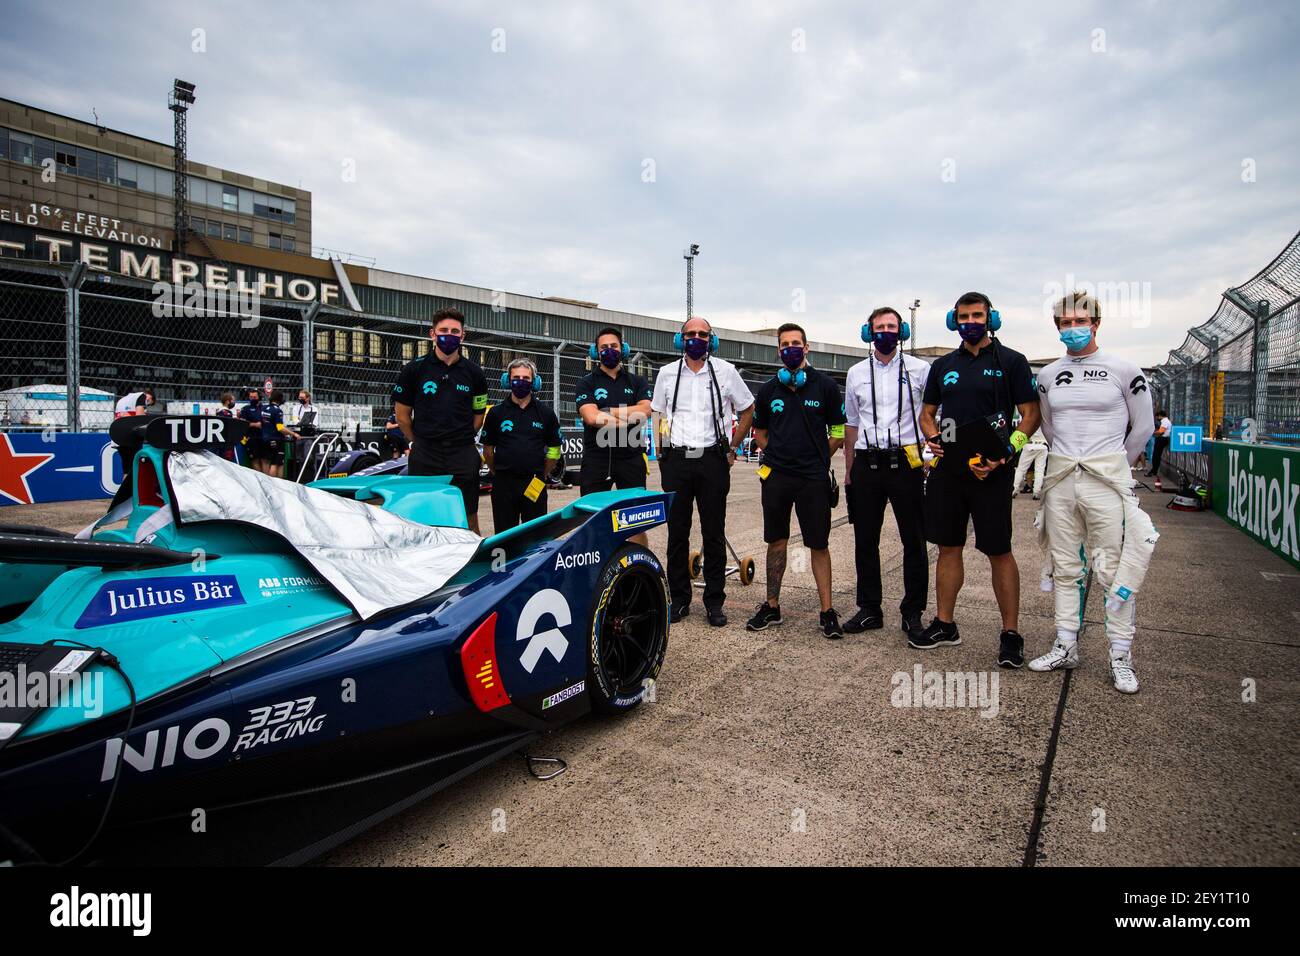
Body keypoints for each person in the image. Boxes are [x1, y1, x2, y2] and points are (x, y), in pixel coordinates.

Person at [1028, 293, 1157, 693]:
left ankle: (1121, 656)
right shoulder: (1047, 376)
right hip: (1062, 478)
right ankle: (1066, 644)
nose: (1071, 329)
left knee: (1113, 570)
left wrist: (1113, 464)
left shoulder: (1124, 369)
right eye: (1063, 323)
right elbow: (1048, 428)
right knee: (1066, 567)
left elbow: (1143, 428)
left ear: (1096, 323)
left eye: (1078, 321)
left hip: (1107, 482)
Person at [916, 292, 1041, 666]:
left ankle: (1011, 634)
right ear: (954, 321)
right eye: (964, 316)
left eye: (978, 315)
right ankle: (944, 623)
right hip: (950, 469)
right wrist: (933, 438)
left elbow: (1031, 415)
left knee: (998, 550)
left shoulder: (1012, 362)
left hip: (992, 467)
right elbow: (927, 413)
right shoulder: (943, 366)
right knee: (947, 547)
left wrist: (1007, 453)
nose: (971, 321)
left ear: (992, 318)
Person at [651, 316, 755, 627]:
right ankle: (680, 599)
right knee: (677, 533)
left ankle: (714, 601)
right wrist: (662, 449)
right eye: (690, 334)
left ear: (712, 339)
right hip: (678, 460)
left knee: (714, 531)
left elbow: (747, 407)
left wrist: (733, 447)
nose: (696, 338)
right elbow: (659, 412)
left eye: (702, 334)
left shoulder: (725, 371)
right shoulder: (667, 374)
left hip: (712, 459)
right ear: (680, 339)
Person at [746, 323, 847, 638]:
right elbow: (759, 432)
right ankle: (772, 606)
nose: (790, 348)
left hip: (813, 478)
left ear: (806, 348)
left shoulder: (825, 386)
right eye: (784, 344)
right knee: (776, 541)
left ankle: (827, 612)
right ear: (778, 351)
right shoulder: (768, 390)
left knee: (818, 543)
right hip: (776, 477)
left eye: (796, 343)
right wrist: (776, 455)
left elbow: (839, 432)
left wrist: (818, 458)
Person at [843, 307, 931, 639]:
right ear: (868, 332)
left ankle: (913, 612)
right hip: (867, 463)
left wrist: (929, 456)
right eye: (879, 326)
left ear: (902, 331)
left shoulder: (921, 370)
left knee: (914, 540)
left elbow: (933, 415)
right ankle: (869, 609)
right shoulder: (856, 373)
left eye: (891, 326)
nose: (885, 331)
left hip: (907, 462)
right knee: (865, 540)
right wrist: (850, 469)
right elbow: (851, 424)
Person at [392, 307, 489, 534]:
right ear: (432, 334)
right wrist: (421, 441)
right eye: (443, 330)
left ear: (463, 336)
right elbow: (402, 417)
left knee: (468, 517)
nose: (449, 335)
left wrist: (460, 437)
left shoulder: (475, 373)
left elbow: (478, 416)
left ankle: (473, 563)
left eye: (455, 331)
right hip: (426, 453)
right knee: (422, 517)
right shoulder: (414, 369)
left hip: (463, 453)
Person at [574, 327, 653, 544]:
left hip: (631, 458)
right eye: (604, 347)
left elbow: (645, 411)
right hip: (597, 460)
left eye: (614, 346)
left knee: (635, 521)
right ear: (595, 352)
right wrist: (629, 415)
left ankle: (635, 568)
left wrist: (607, 411)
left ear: (623, 349)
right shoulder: (586, 383)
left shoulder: (638, 382)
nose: (609, 351)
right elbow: (591, 418)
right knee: (591, 521)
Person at [481, 358, 563, 532]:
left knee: (535, 537)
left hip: (535, 482)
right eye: (516, 377)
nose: (520, 381)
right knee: (504, 536)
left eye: (526, 378)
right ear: (507, 381)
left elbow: (555, 451)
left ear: (534, 382)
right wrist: (499, 473)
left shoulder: (546, 414)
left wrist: (542, 474)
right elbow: (488, 451)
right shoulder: (496, 413)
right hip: (503, 483)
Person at [259, 389, 301, 479]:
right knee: (276, 463)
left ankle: (266, 483)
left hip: (264, 439)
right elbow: (280, 428)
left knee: (266, 462)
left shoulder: (263, 408)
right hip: (276, 439)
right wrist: (293, 434)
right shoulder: (277, 411)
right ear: (280, 399)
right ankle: (277, 486)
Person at [1011, 429, 1049, 499]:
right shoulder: (1046, 418)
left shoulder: (1029, 417)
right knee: (1039, 470)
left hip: (1029, 445)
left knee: (1021, 469)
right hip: (1042, 446)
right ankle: (1036, 493)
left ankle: (1014, 490)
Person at [240, 388, 265, 472]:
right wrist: (255, 424)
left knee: (264, 460)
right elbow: (242, 424)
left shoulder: (264, 408)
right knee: (255, 460)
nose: (252, 399)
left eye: (254, 397)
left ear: (259, 397)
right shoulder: (245, 409)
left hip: (264, 437)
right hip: (252, 438)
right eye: (251, 397)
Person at [1145, 408, 1172, 476]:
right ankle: (1154, 470)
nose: (1157, 418)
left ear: (1160, 416)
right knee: (1157, 455)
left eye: (1157, 417)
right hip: (1163, 439)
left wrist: (1152, 432)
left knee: (1156, 455)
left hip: (1162, 439)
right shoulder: (1166, 421)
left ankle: (1154, 470)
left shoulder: (1164, 421)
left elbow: (1161, 431)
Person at [215, 392, 238, 462]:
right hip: (226, 441)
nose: (234, 402)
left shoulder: (220, 411)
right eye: (233, 400)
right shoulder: (225, 412)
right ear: (228, 401)